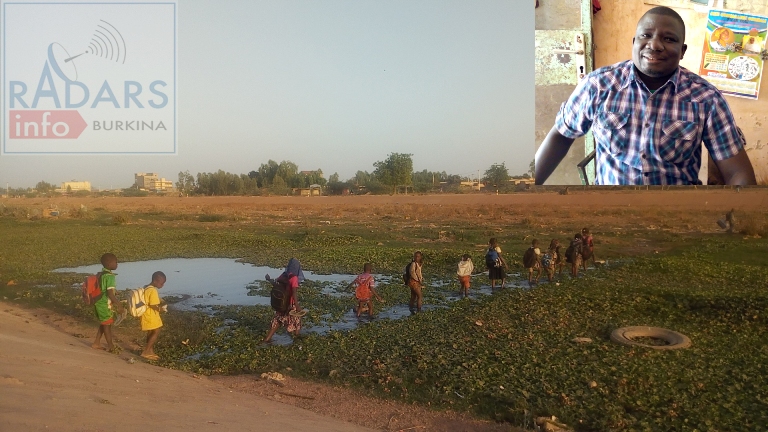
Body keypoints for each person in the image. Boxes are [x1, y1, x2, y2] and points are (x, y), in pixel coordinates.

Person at [535, 6, 756, 186]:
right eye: (646, 35)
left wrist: (741, 217)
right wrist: (526, 190)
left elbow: (737, 172)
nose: (655, 45)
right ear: (634, 42)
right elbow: (561, 135)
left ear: (682, 51)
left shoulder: (706, 99)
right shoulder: (598, 86)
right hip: (609, 208)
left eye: (669, 39)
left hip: (678, 212)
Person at [262, 258, 305, 343]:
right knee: (296, 322)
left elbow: (276, 285)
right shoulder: (294, 278)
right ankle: (296, 340)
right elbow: (294, 292)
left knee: (278, 320)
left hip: (282, 303)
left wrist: (269, 279)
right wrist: (297, 306)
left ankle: (267, 339)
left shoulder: (284, 275)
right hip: (290, 304)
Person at [91, 253, 125, 352]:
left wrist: (115, 292)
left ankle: (96, 343)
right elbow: (110, 294)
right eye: (116, 262)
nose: (117, 264)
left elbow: (105, 288)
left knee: (104, 322)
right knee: (107, 324)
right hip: (104, 303)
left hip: (99, 302)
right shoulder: (110, 276)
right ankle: (111, 346)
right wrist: (119, 305)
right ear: (109, 263)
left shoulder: (101, 274)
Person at [140, 271, 167, 361]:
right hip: (151, 314)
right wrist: (160, 309)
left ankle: (150, 351)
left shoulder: (146, 287)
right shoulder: (153, 290)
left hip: (146, 314)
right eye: (161, 283)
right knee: (156, 331)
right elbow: (153, 305)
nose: (162, 285)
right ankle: (146, 351)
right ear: (155, 281)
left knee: (151, 332)